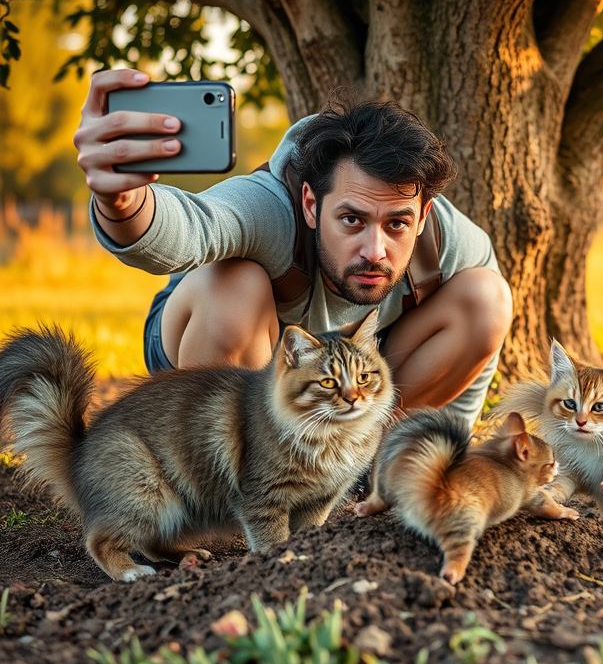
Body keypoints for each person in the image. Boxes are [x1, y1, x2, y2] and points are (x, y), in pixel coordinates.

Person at [74, 69, 512, 423]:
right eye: (351, 219)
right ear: (309, 203)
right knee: (233, 286)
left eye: (397, 223)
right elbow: (190, 228)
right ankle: (230, 482)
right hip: (212, 344)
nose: (375, 250)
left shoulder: (446, 239)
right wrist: (121, 201)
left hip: (348, 378)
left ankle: (373, 460)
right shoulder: (269, 208)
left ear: (423, 216)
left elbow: (479, 345)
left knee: (486, 298)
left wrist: (445, 452)